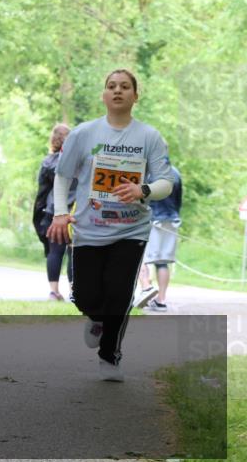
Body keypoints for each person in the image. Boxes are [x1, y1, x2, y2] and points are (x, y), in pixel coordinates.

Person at [47, 69, 175, 382]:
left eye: (125, 86)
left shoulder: (149, 137)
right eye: (111, 86)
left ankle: (110, 356)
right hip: (89, 228)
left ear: (135, 96)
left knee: (119, 294)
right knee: (85, 296)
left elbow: (166, 182)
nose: (118, 90)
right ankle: (96, 318)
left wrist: (142, 190)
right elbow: (63, 175)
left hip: (131, 230)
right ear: (104, 95)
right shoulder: (83, 134)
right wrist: (60, 213)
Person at [33, 123, 77, 301]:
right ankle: (74, 291)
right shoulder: (79, 161)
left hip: (54, 211)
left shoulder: (48, 162)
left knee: (55, 251)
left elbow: (42, 191)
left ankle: (54, 291)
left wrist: (39, 214)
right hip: (76, 212)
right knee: (74, 251)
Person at [135, 156, 182, 311]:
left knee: (140, 257)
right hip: (172, 221)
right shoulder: (175, 173)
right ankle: (161, 300)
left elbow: (142, 199)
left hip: (152, 221)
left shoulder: (149, 173)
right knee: (162, 262)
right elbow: (178, 200)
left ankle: (146, 288)